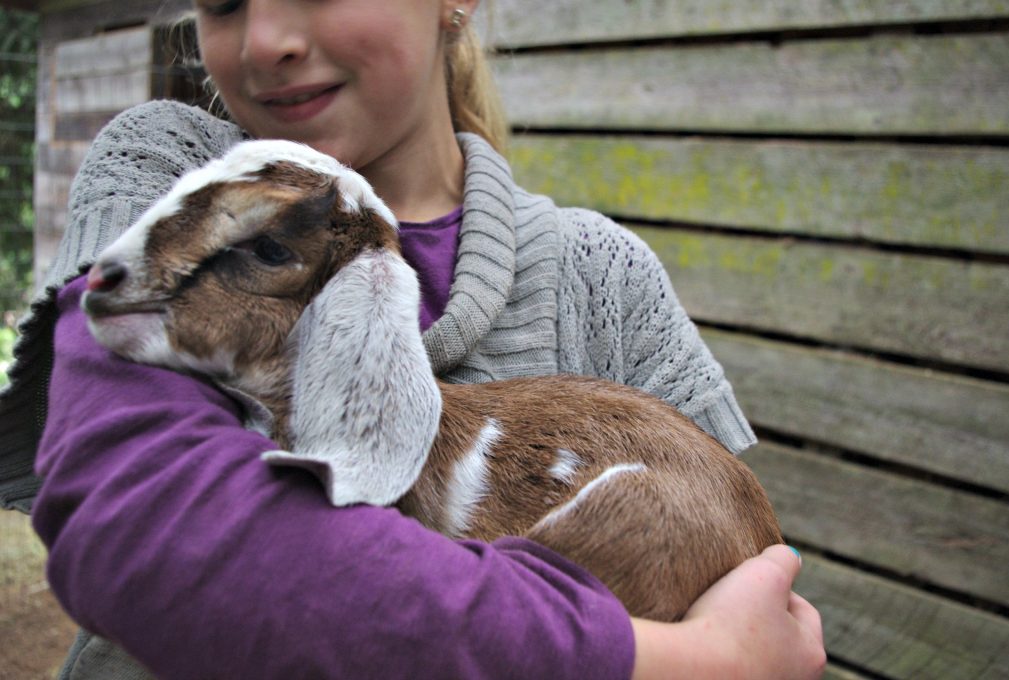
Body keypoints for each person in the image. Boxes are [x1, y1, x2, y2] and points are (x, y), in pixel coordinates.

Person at [0, 0, 826, 677]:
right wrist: (681, 662)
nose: (264, 41)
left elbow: (750, 589)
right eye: (222, 3)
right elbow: (149, 528)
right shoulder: (174, 172)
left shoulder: (602, 275)